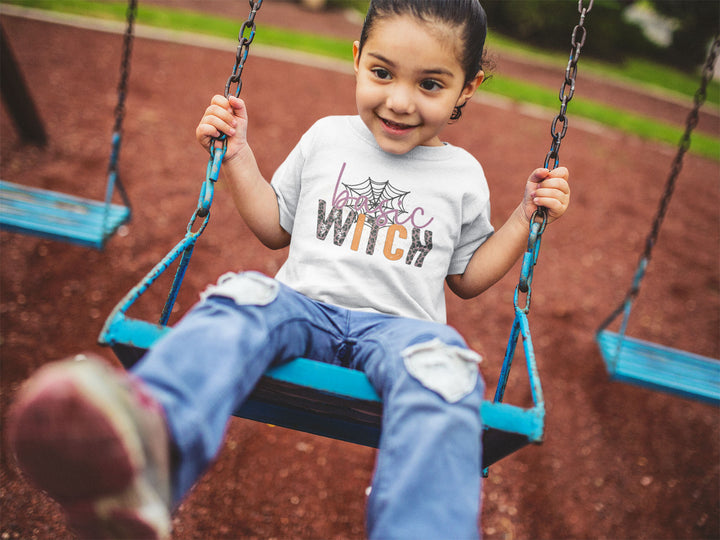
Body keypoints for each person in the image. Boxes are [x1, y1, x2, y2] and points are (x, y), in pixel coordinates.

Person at [7, 0, 570, 538]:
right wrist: (238, 155)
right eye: (381, 72)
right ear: (357, 57)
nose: (400, 101)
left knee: (446, 372)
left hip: (404, 332)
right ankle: (149, 455)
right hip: (299, 307)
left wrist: (525, 217)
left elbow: (467, 278)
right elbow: (276, 227)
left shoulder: (463, 175)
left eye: (429, 84)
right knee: (243, 297)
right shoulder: (327, 136)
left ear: (465, 87)